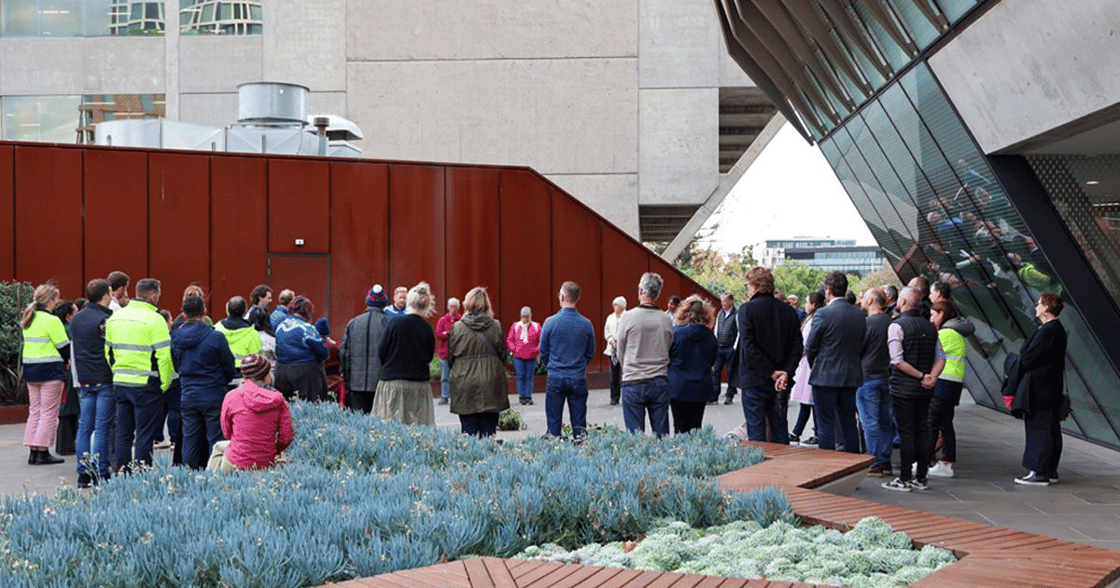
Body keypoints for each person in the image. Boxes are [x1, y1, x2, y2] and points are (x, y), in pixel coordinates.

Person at [881, 287, 945, 492]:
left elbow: (897, 361)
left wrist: (920, 376)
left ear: (904, 302)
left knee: (906, 432)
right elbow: (941, 357)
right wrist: (931, 377)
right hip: (925, 390)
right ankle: (922, 477)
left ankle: (904, 477)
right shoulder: (931, 326)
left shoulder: (896, 326)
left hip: (903, 388)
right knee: (923, 430)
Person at [106, 278, 174, 470]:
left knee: (123, 434)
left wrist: (117, 373)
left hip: (120, 382)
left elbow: (108, 353)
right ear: (153, 296)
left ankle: (123, 473)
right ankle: (142, 474)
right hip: (146, 384)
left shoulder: (115, 317)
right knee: (145, 435)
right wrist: (165, 383)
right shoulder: (156, 319)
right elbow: (164, 357)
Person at [737, 267, 801, 443]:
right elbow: (797, 347)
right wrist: (786, 372)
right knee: (780, 429)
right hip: (781, 380)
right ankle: (782, 468)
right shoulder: (788, 311)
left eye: (748, 285)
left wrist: (771, 372)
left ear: (756, 285)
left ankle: (760, 468)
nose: (747, 288)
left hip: (754, 378)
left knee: (756, 432)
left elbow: (749, 348)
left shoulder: (746, 310)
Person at [1008, 293, 1067, 486]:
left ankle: (1039, 472)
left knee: (1039, 429)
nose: (1035, 306)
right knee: (1049, 428)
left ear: (1047, 308)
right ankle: (1049, 470)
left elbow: (1028, 357)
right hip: (1049, 387)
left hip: (1040, 388)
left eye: (1039, 304)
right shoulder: (1054, 329)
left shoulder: (1049, 331)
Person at [170, 296, 235, 469]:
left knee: (190, 440)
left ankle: (189, 478)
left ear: (183, 314)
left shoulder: (175, 337)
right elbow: (228, 366)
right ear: (204, 311)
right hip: (214, 393)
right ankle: (217, 477)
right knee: (216, 441)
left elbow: (176, 365)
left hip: (188, 394)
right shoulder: (216, 337)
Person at [805, 272, 865, 454]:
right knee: (849, 423)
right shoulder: (859, 314)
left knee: (825, 425)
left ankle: (827, 465)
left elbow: (810, 346)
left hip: (825, 377)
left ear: (827, 289)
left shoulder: (823, 314)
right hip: (850, 375)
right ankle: (852, 465)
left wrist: (816, 364)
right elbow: (861, 344)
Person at [616, 273, 673, 437]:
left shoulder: (628, 317)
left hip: (633, 380)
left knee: (635, 437)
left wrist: (627, 366)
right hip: (659, 380)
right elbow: (668, 346)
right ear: (658, 293)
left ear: (640, 290)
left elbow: (620, 349)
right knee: (662, 435)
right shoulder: (665, 319)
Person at [71, 279, 116, 486]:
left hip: (84, 378)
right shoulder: (107, 318)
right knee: (102, 427)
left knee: (84, 427)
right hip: (104, 377)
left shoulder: (77, 318)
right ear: (106, 294)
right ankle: (101, 471)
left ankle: (83, 473)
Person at [449, 288, 510, 437]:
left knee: (467, 433)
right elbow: (503, 354)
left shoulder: (457, 328)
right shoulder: (495, 326)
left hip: (465, 384)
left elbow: (451, 358)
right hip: (491, 382)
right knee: (489, 433)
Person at [373, 282, 437, 425]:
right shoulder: (427, 328)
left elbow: (381, 352)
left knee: (390, 430)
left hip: (393, 382)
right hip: (419, 385)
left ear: (409, 301)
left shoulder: (394, 324)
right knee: (419, 430)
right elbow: (428, 357)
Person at [217, 354, 294, 471]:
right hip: (265, 460)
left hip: (237, 460)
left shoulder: (231, 396)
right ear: (266, 376)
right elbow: (286, 437)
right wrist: (274, 451)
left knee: (218, 448)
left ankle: (212, 481)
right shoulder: (278, 400)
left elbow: (227, 433)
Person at [539, 281, 596, 439]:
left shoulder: (550, 322)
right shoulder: (586, 324)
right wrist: (580, 365)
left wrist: (550, 366)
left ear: (562, 297)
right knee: (579, 425)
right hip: (577, 376)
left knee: (553, 424)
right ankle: (580, 450)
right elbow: (590, 352)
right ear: (577, 299)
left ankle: (555, 449)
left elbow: (543, 351)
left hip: (556, 375)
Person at [21, 284, 70, 466]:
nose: (57, 303)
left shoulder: (29, 318)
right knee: (49, 412)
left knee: (35, 410)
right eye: (56, 299)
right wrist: (68, 361)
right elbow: (64, 346)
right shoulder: (52, 320)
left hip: (31, 370)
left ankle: (33, 451)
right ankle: (42, 451)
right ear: (50, 301)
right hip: (50, 370)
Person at [926, 300, 970, 479]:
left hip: (942, 383)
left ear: (941, 313)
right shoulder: (956, 334)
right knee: (946, 424)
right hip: (953, 384)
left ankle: (922, 461)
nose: (930, 319)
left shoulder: (945, 334)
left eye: (933, 314)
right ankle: (946, 462)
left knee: (932, 423)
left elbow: (932, 355)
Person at [858, 287, 896, 477]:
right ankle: (885, 460)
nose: (862, 300)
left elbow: (859, 349)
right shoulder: (891, 322)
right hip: (885, 376)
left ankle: (874, 462)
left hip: (866, 378)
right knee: (884, 421)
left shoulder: (867, 324)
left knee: (870, 422)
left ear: (872, 300)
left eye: (864, 298)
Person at [668, 296, 718, 434]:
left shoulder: (676, 333)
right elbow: (712, 360)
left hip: (678, 386)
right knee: (696, 427)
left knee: (679, 427)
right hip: (700, 386)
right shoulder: (710, 336)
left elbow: (668, 356)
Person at [340, 285, 391, 414]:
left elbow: (345, 354)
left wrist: (347, 380)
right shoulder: (389, 324)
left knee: (358, 424)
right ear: (383, 303)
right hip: (380, 384)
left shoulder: (353, 323)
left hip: (356, 384)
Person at [274, 297, 329, 402]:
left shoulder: (280, 326)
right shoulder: (307, 328)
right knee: (309, 407)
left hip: (281, 371)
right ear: (307, 311)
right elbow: (323, 353)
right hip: (305, 374)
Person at [789, 291, 824, 447]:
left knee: (810, 399)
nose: (805, 304)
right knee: (807, 400)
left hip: (809, 363)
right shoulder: (810, 318)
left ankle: (815, 432)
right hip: (806, 363)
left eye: (807, 302)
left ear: (814, 304)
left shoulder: (814, 320)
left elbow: (808, 343)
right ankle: (798, 431)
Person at [215, 296, 263, 385]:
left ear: (227, 310)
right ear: (245, 311)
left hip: (221, 376)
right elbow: (257, 360)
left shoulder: (217, 329)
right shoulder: (252, 334)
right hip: (244, 378)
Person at [507, 306, 541, 406]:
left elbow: (542, 340)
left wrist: (536, 350)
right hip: (518, 356)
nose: (525, 319)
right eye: (523, 316)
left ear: (530, 316)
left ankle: (528, 396)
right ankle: (522, 396)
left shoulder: (536, 326)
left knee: (529, 376)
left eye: (527, 316)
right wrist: (514, 349)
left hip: (531, 356)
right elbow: (509, 340)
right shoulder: (516, 326)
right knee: (520, 376)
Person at [434, 297, 462, 405]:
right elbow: (438, 334)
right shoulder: (442, 320)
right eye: (451, 306)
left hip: (457, 353)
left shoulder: (461, 320)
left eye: (455, 306)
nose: (453, 308)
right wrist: (447, 333)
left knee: (458, 377)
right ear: (448, 307)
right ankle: (444, 396)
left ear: (458, 308)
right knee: (445, 377)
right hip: (444, 353)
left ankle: (457, 397)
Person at [712, 292, 738, 405]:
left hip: (730, 348)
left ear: (731, 301)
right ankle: (714, 395)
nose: (722, 303)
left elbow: (739, 331)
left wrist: (735, 347)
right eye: (722, 301)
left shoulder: (736, 314)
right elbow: (716, 328)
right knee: (715, 370)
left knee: (731, 372)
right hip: (720, 347)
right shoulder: (720, 313)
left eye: (725, 301)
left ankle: (729, 395)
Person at [603, 296, 626, 406]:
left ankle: (626, 396)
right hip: (612, 350)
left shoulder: (627, 317)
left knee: (626, 374)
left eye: (616, 304)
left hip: (625, 350)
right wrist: (612, 341)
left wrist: (621, 342)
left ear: (621, 306)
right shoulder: (610, 318)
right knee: (614, 374)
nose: (614, 306)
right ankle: (614, 397)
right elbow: (606, 331)